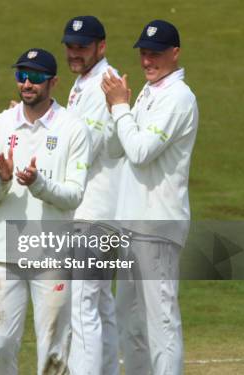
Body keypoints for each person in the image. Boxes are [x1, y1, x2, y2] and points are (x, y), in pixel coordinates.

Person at [0, 48, 91, 375]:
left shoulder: (73, 129)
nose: (27, 83)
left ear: (52, 82)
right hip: (6, 250)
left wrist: (39, 183)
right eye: (21, 75)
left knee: (53, 346)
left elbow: (74, 195)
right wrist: (1, 179)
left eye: (36, 77)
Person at [101, 20, 199, 375]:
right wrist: (114, 107)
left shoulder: (178, 97)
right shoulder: (146, 91)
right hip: (130, 223)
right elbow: (116, 149)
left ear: (175, 53)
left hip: (158, 224)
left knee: (161, 321)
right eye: (143, 53)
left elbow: (141, 151)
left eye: (155, 54)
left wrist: (120, 108)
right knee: (130, 320)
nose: (147, 61)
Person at [61, 15, 120, 375]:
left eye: (82, 47)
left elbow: (87, 147)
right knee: (101, 305)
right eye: (70, 46)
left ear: (101, 46)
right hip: (98, 209)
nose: (74, 53)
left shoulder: (103, 84)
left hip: (94, 212)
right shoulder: (85, 82)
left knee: (83, 305)